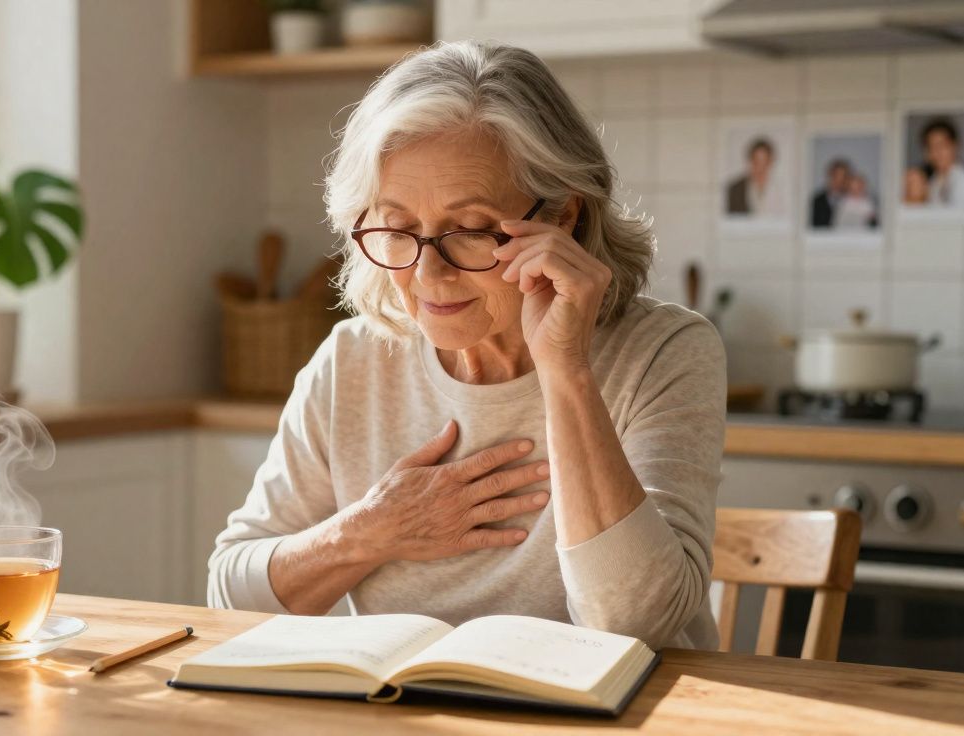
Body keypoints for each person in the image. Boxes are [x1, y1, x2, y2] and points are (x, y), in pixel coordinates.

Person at [208, 40, 726, 651]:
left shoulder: (665, 353)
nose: (428, 274)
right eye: (397, 228)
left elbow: (636, 625)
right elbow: (230, 599)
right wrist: (372, 530)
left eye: (472, 229)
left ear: (562, 217)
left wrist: (565, 371)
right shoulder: (352, 360)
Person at [920, 118, 964, 208]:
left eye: (941, 146)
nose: (936, 153)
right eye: (931, 147)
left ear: (955, 146)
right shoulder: (932, 182)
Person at [725, 138, 784, 218]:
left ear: (770, 162)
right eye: (756, 162)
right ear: (750, 161)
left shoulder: (781, 189)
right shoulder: (735, 189)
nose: (760, 168)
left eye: (764, 162)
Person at [810, 158, 851, 228]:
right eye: (836, 176)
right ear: (830, 175)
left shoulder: (852, 199)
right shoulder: (818, 200)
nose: (839, 181)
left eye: (843, 177)